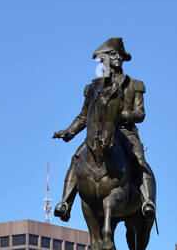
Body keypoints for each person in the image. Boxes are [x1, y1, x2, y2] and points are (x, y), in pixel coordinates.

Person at [53, 37, 156, 223]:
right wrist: (69, 132)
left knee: (140, 158)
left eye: (119, 55)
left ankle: (147, 201)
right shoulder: (94, 88)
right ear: (105, 58)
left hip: (125, 132)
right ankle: (66, 202)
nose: (117, 58)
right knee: (76, 158)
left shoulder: (134, 84)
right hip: (98, 134)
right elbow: (84, 116)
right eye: (113, 54)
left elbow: (140, 113)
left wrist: (120, 115)